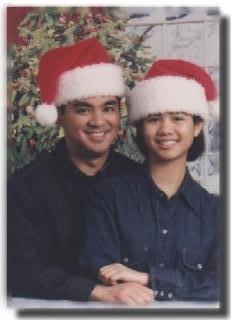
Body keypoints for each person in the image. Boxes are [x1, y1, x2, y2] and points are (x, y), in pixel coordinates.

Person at [7, 38, 154, 305]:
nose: (98, 121)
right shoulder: (24, 188)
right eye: (84, 109)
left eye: (108, 108)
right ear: (60, 116)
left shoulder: (137, 179)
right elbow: (18, 270)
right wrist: (97, 291)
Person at [79, 59, 219, 302]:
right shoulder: (109, 196)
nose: (165, 129)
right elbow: (101, 268)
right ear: (141, 127)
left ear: (197, 127)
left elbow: (221, 283)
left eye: (178, 118)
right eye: (154, 119)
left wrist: (147, 278)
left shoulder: (215, 212)